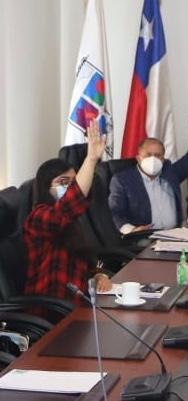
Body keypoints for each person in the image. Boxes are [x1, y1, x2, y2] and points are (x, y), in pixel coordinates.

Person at [23, 120, 112, 302]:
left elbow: (82, 260)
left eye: (73, 182)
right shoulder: (38, 217)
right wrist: (91, 159)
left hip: (79, 301)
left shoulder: (73, 221)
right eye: (63, 182)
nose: (69, 187)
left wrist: (98, 274)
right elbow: (66, 208)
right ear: (45, 187)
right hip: (53, 306)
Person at [109, 102, 188, 234]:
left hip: (176, 234)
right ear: (138, 158)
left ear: (163, 159)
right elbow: (116, 212)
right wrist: (132, 230)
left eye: (158, 155)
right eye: (148, 155)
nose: (153, 159)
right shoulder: (122, 180)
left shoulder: (169, 172)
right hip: (143, 237)